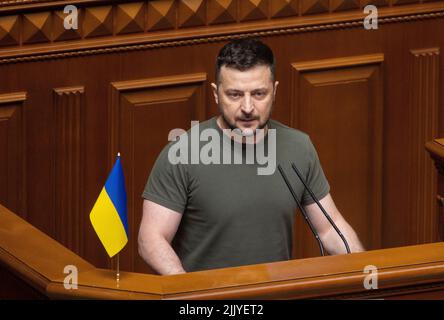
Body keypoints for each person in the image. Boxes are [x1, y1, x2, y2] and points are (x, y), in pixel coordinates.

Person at [138, 38, 364, 275]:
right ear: (216, 94)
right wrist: (188, 292)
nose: (247, 107)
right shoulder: (182, 153)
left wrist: (365, 277)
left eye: (258, 94)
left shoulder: (299, 147)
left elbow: (330, 228)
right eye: (235, 95)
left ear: (274, 91)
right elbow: (151, 239)